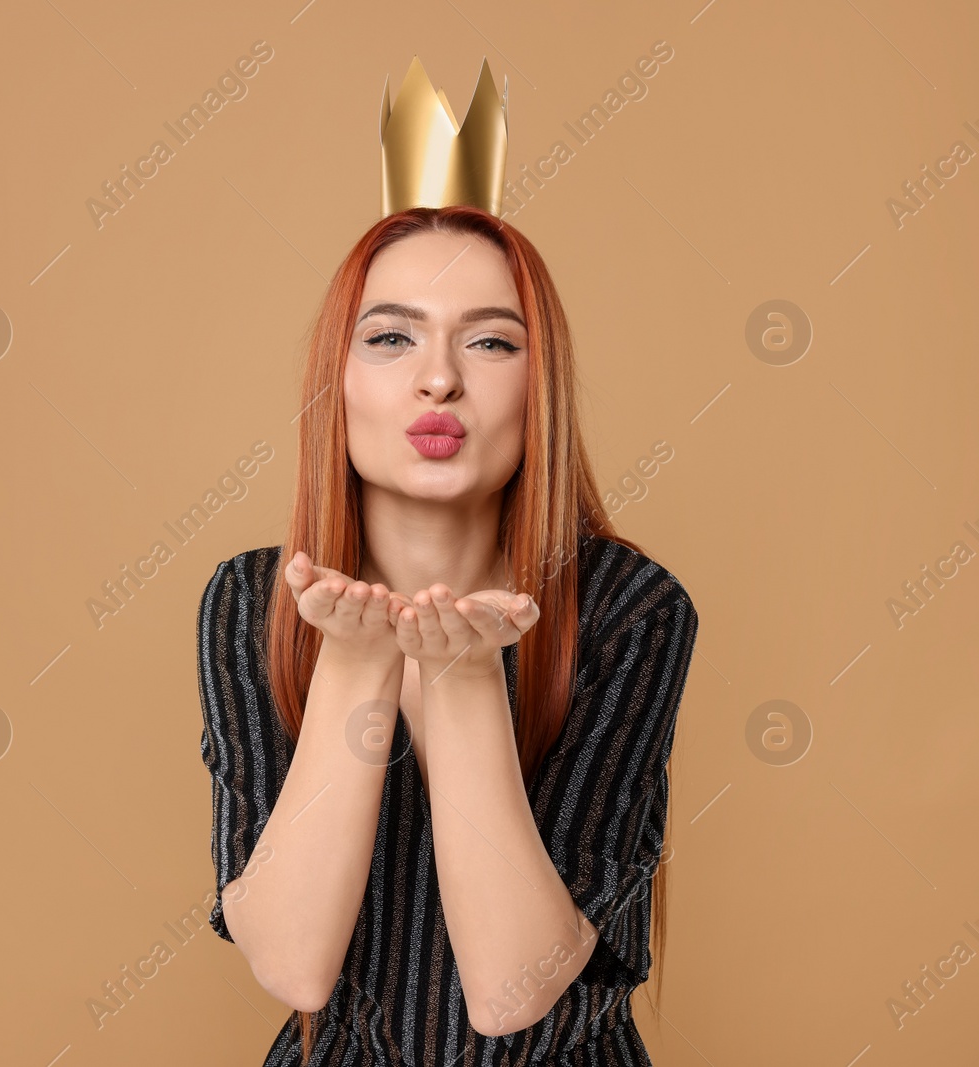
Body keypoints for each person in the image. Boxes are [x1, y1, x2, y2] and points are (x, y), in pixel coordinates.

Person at [195, 56, 699, 1067]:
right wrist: (355, 659)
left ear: (537, 384)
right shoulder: (250, 599)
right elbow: (293, 964)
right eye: (389, 338)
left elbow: (514, 988)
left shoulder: (628, 607)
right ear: (335, 384)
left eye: (490, 344)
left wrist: (467, 679)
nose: (437, 380)